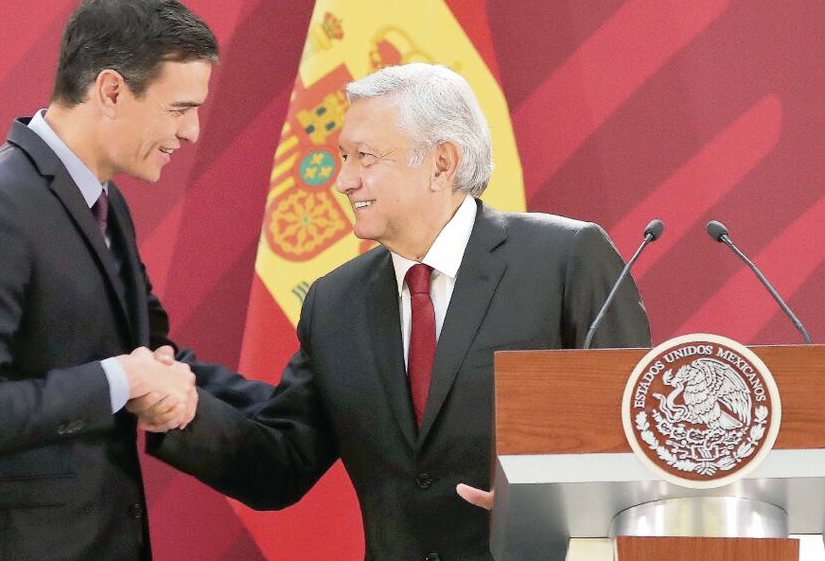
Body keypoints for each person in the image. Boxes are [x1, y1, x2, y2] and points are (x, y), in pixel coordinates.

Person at [144, 63, 652, 559]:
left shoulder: (565, 260)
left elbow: (641, 439)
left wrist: (549, 502)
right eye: (343, 157)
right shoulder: (334, 303)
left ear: (442, 164)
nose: (343, 180)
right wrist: (183, 413)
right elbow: (281, 466)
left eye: (365, 157)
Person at [0, 0, 270, 560]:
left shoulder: (106, 203)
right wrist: (122, 380)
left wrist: (316, 407)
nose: (192, 132)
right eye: (179, 109)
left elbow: (155, 355)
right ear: (111, 90)